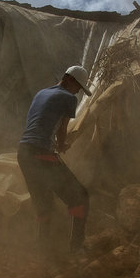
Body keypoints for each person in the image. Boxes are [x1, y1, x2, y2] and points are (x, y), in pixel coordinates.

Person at [17, 65, 92, 253]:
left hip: (24, 153)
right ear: (69, 80)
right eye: (78, 87)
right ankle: (77, 248)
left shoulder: (42, 93)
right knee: (80, 197)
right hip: (41, 153)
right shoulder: (68, 98)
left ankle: (44, 253)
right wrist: (61, 145)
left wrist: (56, 144)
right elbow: (61, 129)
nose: (78, 92)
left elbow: (39, 122)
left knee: (44, 206)